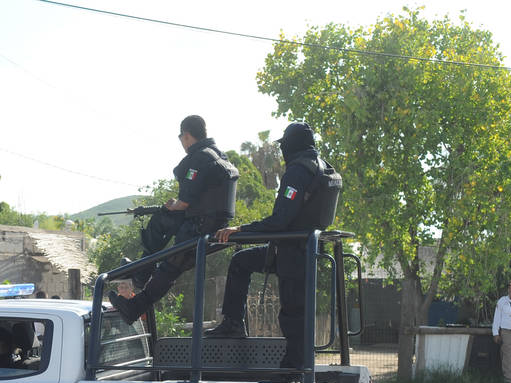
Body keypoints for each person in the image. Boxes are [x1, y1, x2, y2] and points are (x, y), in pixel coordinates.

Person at [210, 121, 340, 370]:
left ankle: (293, 371)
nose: (282, 151)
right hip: (305, 250)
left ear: (292, 146)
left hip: (292, 252)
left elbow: (279, 220)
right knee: (241, 262)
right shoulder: (322, 166)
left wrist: (240, 229)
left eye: (284, 145)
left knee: (293, 315)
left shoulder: (298, 171)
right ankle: (233, 324)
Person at [108, 114, 239, 324]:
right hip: (213, 222)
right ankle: (139, 286)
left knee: (167, 253)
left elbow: (185, 203)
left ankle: (141, 274)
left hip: (199, 225)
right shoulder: (219, 155)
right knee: (169, 266)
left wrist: (174, 205)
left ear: (186, 136)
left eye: (181, 138)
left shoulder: (199, 158)